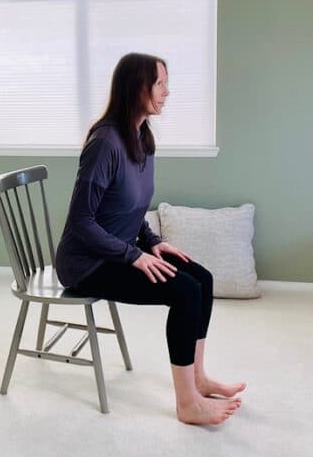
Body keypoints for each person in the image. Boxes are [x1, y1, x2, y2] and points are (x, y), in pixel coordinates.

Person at [56, 53, 246, 425]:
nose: (167, 92)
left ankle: (198, 377)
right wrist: (133, 256)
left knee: (201, 279)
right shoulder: (105, 144)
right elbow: (81, 221)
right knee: (185, 292)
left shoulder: (141, 136)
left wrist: (151, 240)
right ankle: (187, 403)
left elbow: (130, 206)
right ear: (136, 87)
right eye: (160, 84)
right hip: (86, 263)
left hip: (120, 251)